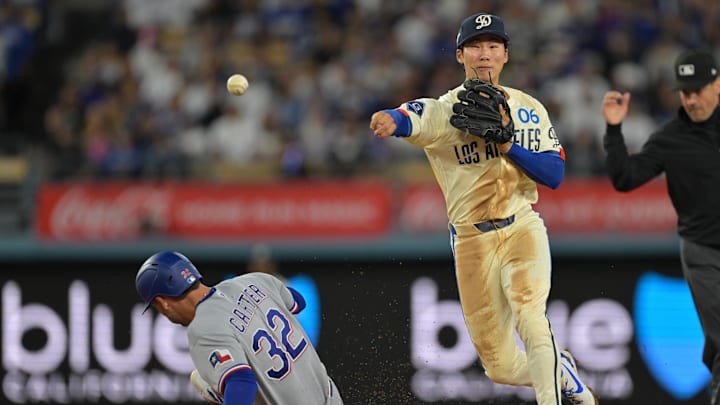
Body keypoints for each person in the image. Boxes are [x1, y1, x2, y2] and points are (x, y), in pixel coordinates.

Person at [369, 12, 597, 405]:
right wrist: (390, 120)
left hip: (522, 226)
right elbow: (411, 116)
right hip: (472, 242)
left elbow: (555, 173)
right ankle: (563, 373)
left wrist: (509, 145)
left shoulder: (528, 108)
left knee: (531, 318)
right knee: (500, 367)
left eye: (493, 46)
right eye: (475, 46)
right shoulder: (447, 110)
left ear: (506, 54)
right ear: (460, 55)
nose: (485, 54)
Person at [602, 48, 720, 404]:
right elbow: (625, 178)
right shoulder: (670, 139)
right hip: (703, 253)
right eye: (685, 91)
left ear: (718, 85)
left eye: (699, 89)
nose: (692, 98)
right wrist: (613, 128)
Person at [135, 251, 343, 405]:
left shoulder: (203, 328)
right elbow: (297, 302)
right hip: (331, 398)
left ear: (163, 302)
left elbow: (241, 381)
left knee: (210, 378)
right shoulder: (254, 280)